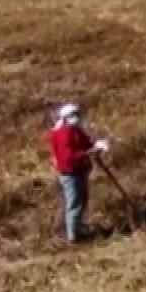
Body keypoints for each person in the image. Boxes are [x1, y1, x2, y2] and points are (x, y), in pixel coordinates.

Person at [47, 103, 108, 243]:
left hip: (80, 170)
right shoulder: (62, 133)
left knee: (82, 200)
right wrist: (90, 152)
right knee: (74, 203)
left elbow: (85, 143)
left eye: (78, 114)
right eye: (74, 115)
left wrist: (95, 146)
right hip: (70, 172)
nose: (77, 117)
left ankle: (78, 227)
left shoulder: (75, 129)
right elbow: (68, 156)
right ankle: (73, 236)